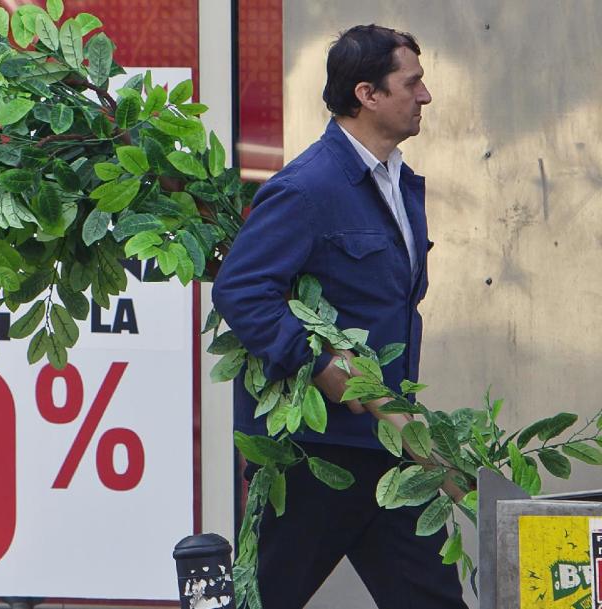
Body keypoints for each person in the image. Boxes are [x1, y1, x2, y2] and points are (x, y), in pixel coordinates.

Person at [212, 25, 467, 609]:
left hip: (388, 445)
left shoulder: (397, 183)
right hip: (314, 453)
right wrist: (316, 361)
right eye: (412, 83)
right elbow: (242, 289)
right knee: (264, 599)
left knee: (431, 600)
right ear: (368, 94)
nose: (424, 96)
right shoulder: (309, 188)